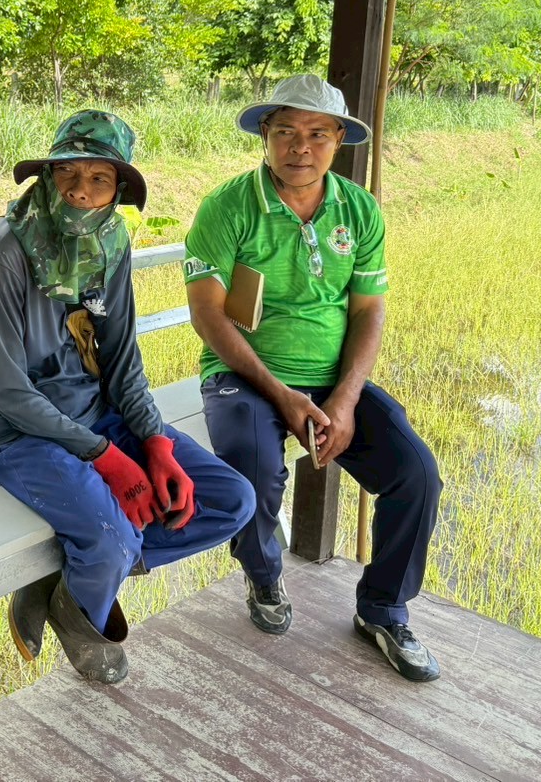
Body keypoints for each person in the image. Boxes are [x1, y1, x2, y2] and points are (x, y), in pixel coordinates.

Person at [0, 110, 255, 684]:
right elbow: (7, 390)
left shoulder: (111, 242)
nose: (80, 190)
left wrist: (154, 442)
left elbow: (121, 358)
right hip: (19, 433)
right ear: (46, 176)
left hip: (99, 416)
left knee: (230, 500)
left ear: (118, 189)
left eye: (99, 178)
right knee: (112, 539)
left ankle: (68, 582)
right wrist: (108, 459)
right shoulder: (4, 252)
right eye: (67, 172)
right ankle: (91, 595)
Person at [182, 74, 443, 682]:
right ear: (265, 135)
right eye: (286, 132)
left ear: (338, 141)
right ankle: (264, 576)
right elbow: (207, 313)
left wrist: (345, 400)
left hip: (331, 380)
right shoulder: (228, 207)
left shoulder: (359, 209)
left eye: (318, 134)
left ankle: (383, 608)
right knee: (254, 467)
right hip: (245, 375)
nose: (300, 146)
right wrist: (281, 394)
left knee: (415, 474)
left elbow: (369, 310)